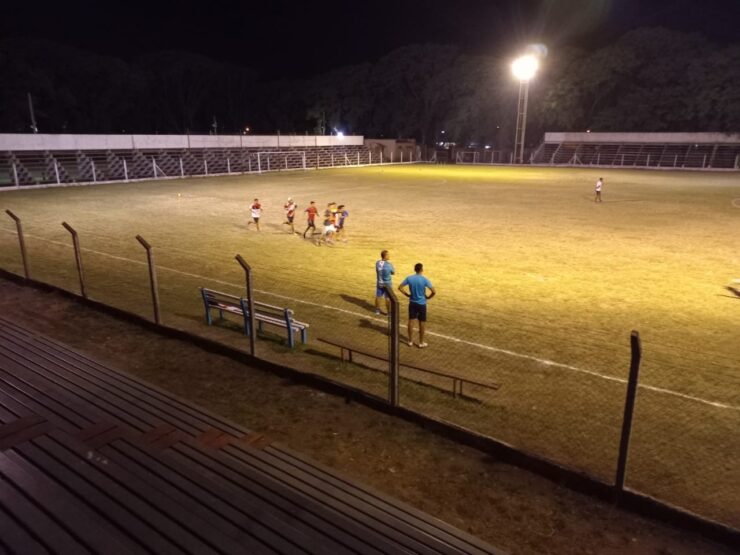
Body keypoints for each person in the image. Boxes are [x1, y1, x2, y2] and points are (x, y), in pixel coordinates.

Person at [398, 263, 436, 348]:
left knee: (411, 322)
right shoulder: (424, 279)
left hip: (412, 303)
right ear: (421, 270)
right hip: (422, 304)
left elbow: (400, 287)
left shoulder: (409, 278)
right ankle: (421, 342)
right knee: (422, 323)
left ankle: (410, 341)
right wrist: (428, 297)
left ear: (415, 269)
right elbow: (434, 291)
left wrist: (407, 295)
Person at [374, 250, 394, 315]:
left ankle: (377, 310)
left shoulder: (377, 263)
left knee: (378, 296)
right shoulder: (389, 265)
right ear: (385, 256)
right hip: (387, 284)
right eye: (388, 255)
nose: (389, 256)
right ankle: (389, 312)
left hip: (379, 282)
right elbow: (393, 273)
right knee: (387, 298)